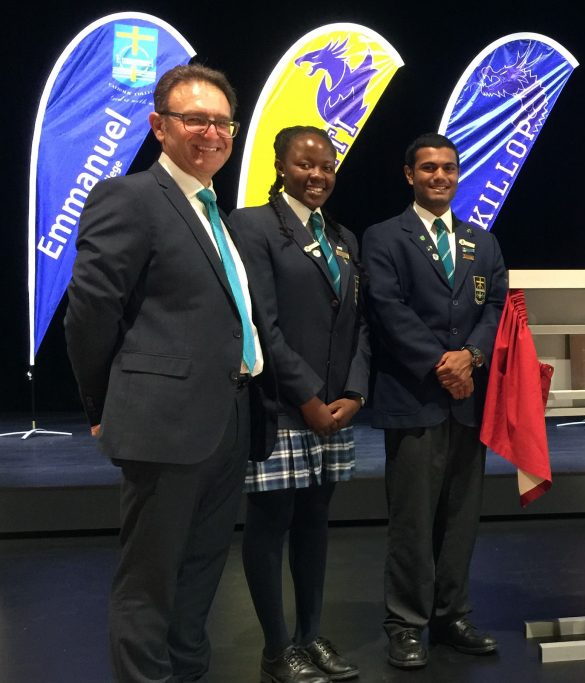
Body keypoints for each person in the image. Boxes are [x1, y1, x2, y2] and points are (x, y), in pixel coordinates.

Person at [65, 64, 276, 682]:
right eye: (195, 119)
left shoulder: (215, 212)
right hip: (163, 424)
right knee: (150, 581)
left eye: (221, 122)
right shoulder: (129, 197)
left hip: (227, 419)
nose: (211, 132)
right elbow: (90, 313)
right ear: (160, 126)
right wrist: (104, 405)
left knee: (203, 569)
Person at [362, 132, 507, 669]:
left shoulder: (481, 241)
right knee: (413, 520)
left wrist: (469, 356)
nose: (439, 177)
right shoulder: (384, 237)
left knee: (462, 516)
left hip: (469, 401)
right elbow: (386, 307)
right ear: (409, 175)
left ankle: (452, 615)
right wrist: (441, 363)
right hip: (414, 397)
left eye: (448, 168)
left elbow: (495, 306)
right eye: (428, 168)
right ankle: (406, 623)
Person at [231, 126, 369, 682]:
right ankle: (276, 649)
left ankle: (311, 638)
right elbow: (261, 324)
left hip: (335, 410)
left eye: (326, 165)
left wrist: (355, 392)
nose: (317, 175)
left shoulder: (342, 236)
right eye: (304, 164)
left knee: (315, 522)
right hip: (284, 407)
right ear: (280, 165)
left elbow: (360, 325)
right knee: (271, 524)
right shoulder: (253, 226)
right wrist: (308, 396)